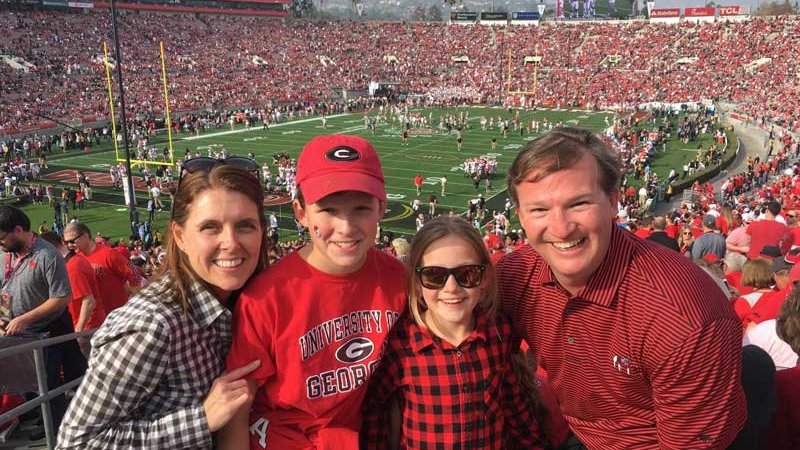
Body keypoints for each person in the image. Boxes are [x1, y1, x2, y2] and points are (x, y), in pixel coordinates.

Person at [497, 128, 747, 449]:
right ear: (520, 217)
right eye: (539, 210)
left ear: (614, 201)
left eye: (579, 203)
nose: (560, 228)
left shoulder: (683, 318)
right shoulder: (516, 274)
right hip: (579, 430)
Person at [57, 160, 270, 448]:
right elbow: (76, 443)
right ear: (180, 237)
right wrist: (202, 419)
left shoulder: (249, 300)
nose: (230, 242)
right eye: (210, 227)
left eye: (245, 226)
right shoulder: (150, 324)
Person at [221, 135, 407, 449]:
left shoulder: (398, 278)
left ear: (382, 207)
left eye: (361, 208)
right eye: (329, 209)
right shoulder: (266, 299)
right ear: (301, 212)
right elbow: (238, 407)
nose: (346, 227)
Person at [360, 216, 548, 450]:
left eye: (467, 274)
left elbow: (513, 405)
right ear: (416, 283)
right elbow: (375, 413)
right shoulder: (400, 343)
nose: (451, 288)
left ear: (484, 279)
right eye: (434, 276)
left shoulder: (498, 331)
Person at [0, 206, 84, 430]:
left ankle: (56, 428)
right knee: (24, 381)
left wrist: (26, 318)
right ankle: (42, 417)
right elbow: (5, 289)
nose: (1, 243)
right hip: (17, 332)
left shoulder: (47, 255)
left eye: (2, 237)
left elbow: (62, 297)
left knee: (47, 383)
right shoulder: (5, 255)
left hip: (49, 330)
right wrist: (2, 318)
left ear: (18, 230)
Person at [39, 231, 106, 357]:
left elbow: (89, 301)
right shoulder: (76, 259)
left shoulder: (72, 267)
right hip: (88, 325)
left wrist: (79, 331)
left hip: (86, 329)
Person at [62, 222, 134, 312]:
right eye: (66, 242)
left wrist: (137, 297)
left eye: (72, 241)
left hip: (116, 314)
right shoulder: (76, 259)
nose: (69, 245)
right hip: (95, 316)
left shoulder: (109, 254)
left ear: (85, 236)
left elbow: (134, 271)